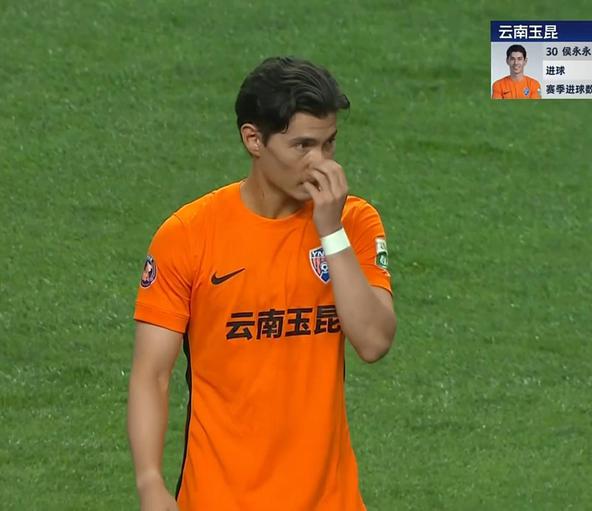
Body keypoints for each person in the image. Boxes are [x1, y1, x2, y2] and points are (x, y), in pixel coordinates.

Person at [127, 56, 397, 511]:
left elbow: (373, 341)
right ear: (253, 139)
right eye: (303, 146)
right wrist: (150, 481)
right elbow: (151, 374)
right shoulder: (189, 236)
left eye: (329, 144)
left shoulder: (354, 222)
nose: (321, 164)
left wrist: (331, 231)